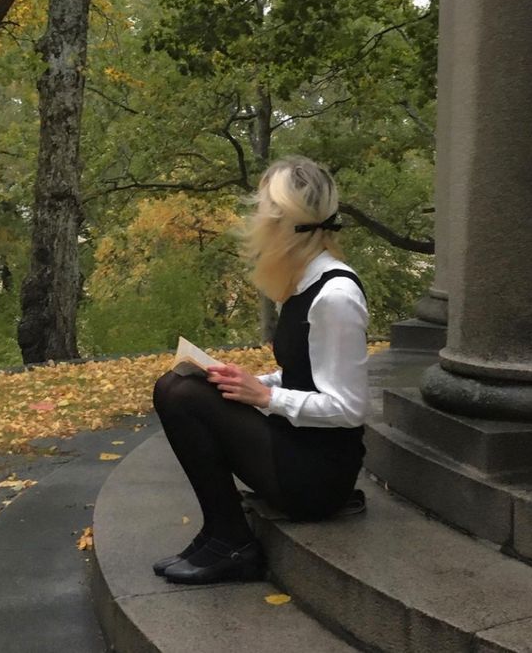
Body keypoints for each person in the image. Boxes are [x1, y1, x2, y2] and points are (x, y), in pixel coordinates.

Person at [151, 155, 370, 584]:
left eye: (264, 212)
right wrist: (247, 381)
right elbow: (304, 376)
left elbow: (350, 408)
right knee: (177, 385)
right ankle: (219, 532)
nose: (255, 221)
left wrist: (266, 396)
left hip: (319, 475)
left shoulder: (336, 295)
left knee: (179, 393)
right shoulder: (303, 283)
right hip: (296, 444)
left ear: (286, 223)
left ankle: (232, 541)